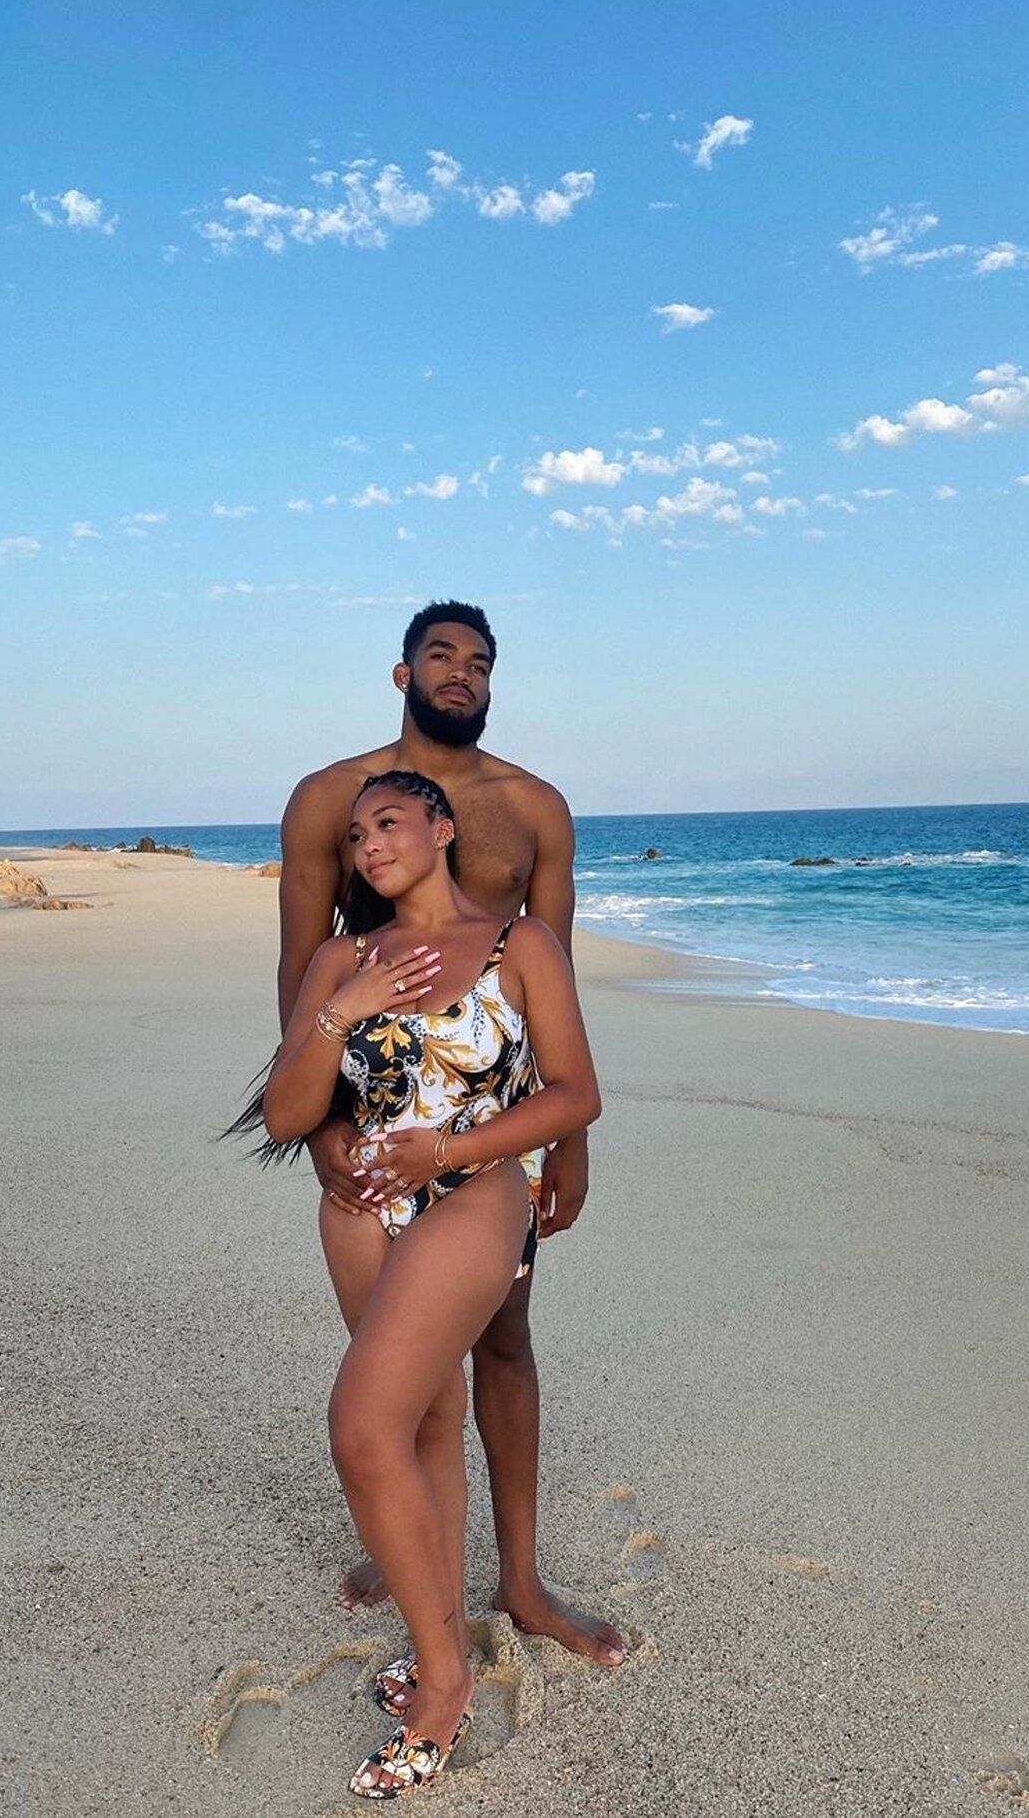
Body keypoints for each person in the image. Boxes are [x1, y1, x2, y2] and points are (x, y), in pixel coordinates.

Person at [277, 600, 625, 1672]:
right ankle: (415, 1534)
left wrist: (567, 1143)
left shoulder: (533, 808)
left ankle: (520, 1580)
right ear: (402, 673)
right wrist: (321, 1122)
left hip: (493, 1134)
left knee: (505, 1341)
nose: (460, 674)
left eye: (479, 661)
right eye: (440, 656)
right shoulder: (333, 800)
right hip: (378, 1124)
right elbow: (303, 966)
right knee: (405, 1356)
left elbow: (552, 976)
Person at [262, 769, 602, 1797]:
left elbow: (576, 1092)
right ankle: (437, 1636)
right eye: (355, 834)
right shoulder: (343, 958)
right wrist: (344, 1010)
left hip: (474, 1190)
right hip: (361, 1206)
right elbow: (286, 1116)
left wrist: (445, 1153)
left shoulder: (518, 945)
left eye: (390, 822)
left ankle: (447, 1683)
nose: (368, 843)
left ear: (443, 826)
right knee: (421, 1424)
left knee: (360, 1425)